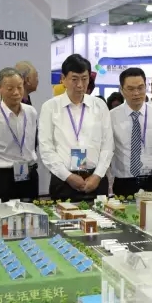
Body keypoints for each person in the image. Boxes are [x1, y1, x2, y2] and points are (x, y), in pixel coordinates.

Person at [39, 54, 113, 202]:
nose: (80, 85)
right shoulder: (50, 107)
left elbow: (108, 145)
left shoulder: (99, 106)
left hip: (95, 180)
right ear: (63, 79)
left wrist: (97, 175)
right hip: (64, 181)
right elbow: (46, 147)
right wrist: (68, 176)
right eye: (74, 79)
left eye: (84, 79)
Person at [0, 68, 39, 202]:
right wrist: (1, 167)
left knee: (32, 213)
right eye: (10, 88)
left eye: (19, 87)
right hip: (4, 178)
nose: (16, 92)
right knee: (4, 214)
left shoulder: (31, 112)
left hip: (30, 175)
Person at [110, 67, 152, 197]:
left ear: (146, 87)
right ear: (122, 90)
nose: (136, 93)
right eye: (130, 89)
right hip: (124, 181)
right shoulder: (111, 116)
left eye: (140, 88)